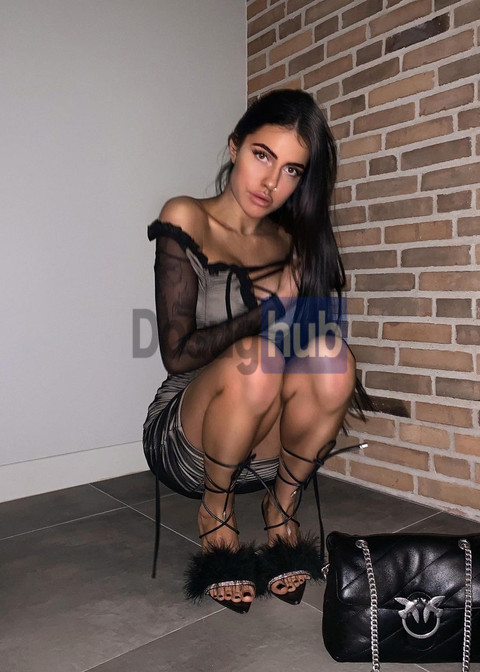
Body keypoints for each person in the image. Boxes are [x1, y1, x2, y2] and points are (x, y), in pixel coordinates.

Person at [143, 88, 370, 614]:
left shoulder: (291, 243)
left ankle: (281, 506)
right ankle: (215, 513)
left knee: (333, 357)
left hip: (265, 440)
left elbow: (304, 357)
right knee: (258, 359)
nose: (271, 182)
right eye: (262, 155)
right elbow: (176, 354)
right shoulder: (187, 216)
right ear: (234, 147)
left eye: (291, 170)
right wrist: (269, 311)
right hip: (189, 434)